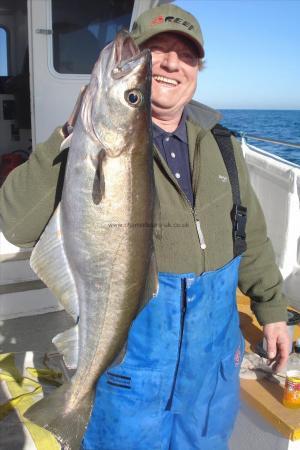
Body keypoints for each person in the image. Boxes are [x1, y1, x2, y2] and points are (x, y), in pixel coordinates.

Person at [0, 4, 290, 450]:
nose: (172, 64)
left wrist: (271, 312)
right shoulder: (82, 147)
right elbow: (15, 222)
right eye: (157, 51)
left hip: (210, 376)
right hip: (131, 372)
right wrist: (68, 134)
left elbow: (248, 234)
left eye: (186, 55)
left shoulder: (225, 148)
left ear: (198, 69)